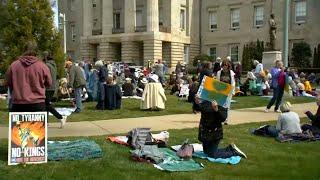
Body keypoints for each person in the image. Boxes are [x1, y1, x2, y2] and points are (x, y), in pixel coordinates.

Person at [5, 41, 52, 112]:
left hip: (18, 104)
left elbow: (7, 82)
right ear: (36, 51)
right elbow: (49, 83)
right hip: (38, 104)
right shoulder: (42, 66)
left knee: (18, 123)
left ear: (23, 50)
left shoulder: (13, 65)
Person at [44, 53, 67, 128]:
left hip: (47, 87)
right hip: (52, 87)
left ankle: (60, 117)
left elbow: (45, 77)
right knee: (46, 105)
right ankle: (46, 122)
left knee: (47, 105)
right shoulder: (54, 66)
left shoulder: (47, 65)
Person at [216, 60, 235, 125]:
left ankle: (226, 119)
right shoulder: (219, 72)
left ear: (228, 66)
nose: (224, 67)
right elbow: (217, 81)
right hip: (221, 91)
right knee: (220, 105)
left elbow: (233, 82)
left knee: (227, 105)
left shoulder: (231, 72)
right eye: (223, 65)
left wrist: (233, 91)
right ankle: (220, 118)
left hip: (228, 91)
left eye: (226, 65)